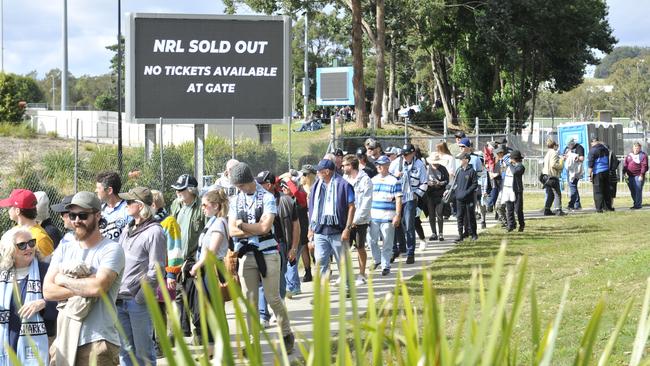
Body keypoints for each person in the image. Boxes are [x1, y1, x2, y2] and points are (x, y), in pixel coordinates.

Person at [44, 191, 125, 365]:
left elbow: (97, 288)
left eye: (82, 215)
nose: (76, 220)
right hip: (65, 339)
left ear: (97, 215)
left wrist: (62, 279)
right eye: (72, 215)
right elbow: (48, 291)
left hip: (97, 340)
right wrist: (84, 287)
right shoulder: (65, 247)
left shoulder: (111, 250)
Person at [228, 162, 294, 353]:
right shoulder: (235, 200)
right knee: (250, 301)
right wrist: (250, 228)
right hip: (246, 255)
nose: (237, 188)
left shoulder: (267, 197)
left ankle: (286, 333)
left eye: (239, 185)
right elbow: (232, 230)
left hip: (268, 254)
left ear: (246, 181)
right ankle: (252, 342)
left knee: (273, 298)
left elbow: (266, 228)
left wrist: (242, 225)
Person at [115, 187, 166, 366]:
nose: (126, 204)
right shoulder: (127, 230)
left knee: (144, 353)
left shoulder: (155, 232)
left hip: (138, 302)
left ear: (140, 205)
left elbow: (157, 269)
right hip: (120, 300)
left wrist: (140, 297)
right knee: (125, 352)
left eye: (129, 202)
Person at [0, 227, 58, 365]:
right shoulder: (2, 274)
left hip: (39, 342)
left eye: (31, 243)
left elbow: (63, 300)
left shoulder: (46, 271)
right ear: (10, 250)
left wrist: (43, 303)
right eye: (22, 245)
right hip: (7, 339)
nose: (28, 248)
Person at [255, 171, 299, 326]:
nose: (257, 186)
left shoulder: (286, 201)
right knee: (261, 280)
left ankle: (278, 310)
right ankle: (263, 315)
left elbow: (295, 225)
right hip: (260, 245)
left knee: (279, 279)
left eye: (260, 183)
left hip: (280, 244)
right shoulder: (256, 201)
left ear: (268, 185)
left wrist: (293, 247)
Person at [308, 159, 356, 284]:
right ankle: (321, 293)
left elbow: (352, 207)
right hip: (320, 231)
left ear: (327, 171)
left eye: (320, 170)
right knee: (320, 263)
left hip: (337, 231)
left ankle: (347, 287)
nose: (317, 172)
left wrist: (347, 228)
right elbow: (312, 208)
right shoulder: (316, 186)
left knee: (342, 263)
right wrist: (310, 229)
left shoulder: (343, 185)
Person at [169, 173, 205, 337]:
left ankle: (200, 331)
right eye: (177, 190)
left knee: (194, 298)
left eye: (181, 190)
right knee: (178, 295)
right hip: (177, 258)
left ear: (191, 191)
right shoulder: (176, 205)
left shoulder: (201, 208)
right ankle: (183, 331)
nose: (178, 193)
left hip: (194, 259)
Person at [190, 189, 230, 330]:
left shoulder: (219, 223)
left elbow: (212, 252)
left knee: (216, 308)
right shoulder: (212, 222)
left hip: (213, 269)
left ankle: (221, 344)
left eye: (205, 205)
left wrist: (197, 266)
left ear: (215, 206)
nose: (202, 208)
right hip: (206, 269)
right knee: (210, 309)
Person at [150, 189, 182, 357]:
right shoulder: (148, 223)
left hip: (164, 273)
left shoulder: (168, 222)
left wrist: (172, 273)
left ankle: (161, 345)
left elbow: (175, 248)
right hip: (149, 274)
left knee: (160, 308)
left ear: (153, 205)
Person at [389, 143, 427, 264]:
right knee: (395, 224)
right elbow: (388, 177)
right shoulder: (396, 164)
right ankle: (396, 250)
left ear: (413, 153)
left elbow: (424, 182)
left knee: (409, 225)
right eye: (403, 155)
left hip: (411, 197)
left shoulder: (419, 164)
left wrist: (416, 195)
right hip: (397, 197)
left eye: (407, 154)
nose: (405, 157)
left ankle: (411, 253)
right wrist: (395, 176)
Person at [342, 154, 373, 285]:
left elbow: (366, 203)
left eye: (345, 165)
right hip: (347, 220)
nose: (343, 167)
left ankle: (361, 274)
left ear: (351, 166)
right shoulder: (344, 179)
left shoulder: (365, 180)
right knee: (344, 248)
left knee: (360, 247)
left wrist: (355, 220)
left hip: (360, 221)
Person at [368, 155, 402, 276]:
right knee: (371, 240)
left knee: (387, 242)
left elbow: (398, 199)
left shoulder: (394, 180)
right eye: (377, 164)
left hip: (388, 216)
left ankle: (385, 265)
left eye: (381, 165)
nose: (378, 167)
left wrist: (397, 215)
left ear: (387, 166)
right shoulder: (373, 180)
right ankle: (377, 260)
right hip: (373, 216)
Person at [0, 189, 55, 262]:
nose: (8, 210)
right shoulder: (14, 230)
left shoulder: (40, 238)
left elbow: (49, 267)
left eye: (10, 207)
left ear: (17, 211)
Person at [95, 171, 132, 241]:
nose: (96, 190)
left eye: (99, 188)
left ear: (109, 190)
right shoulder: (99, 211)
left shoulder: (128, 209)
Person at [454, 153, 478, 242]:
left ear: (466, 160)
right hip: (459, 198)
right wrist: (456, 193)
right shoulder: (458, 171)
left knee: (470, 216)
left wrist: (467, 192)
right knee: (459, 216)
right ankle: (460, 235)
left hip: (469, 198)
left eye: (461, 159)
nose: (459, 161)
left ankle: (473, 234)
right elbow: (455, 183)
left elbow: (475, 184)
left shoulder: (472, 171)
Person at [299, 164, 317, 282]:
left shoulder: (317, 187)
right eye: (303, 174)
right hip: (302, 219)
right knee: (304, 247)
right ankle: (308, 272)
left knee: (313, 246)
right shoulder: (299, 187)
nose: (303, 176)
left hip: (314, 219)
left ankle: (318, 263)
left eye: (306, 174)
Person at [424, 155, 449, 241]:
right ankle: (433, 233)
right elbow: (423, 180)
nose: (435, 164)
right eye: (434, 163)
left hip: (440, 194)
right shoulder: (427, 169)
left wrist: (440, 183)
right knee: (431, 214)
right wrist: (429, 183)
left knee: (439, 213)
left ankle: (441, 233)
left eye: (437, 162)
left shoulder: (443, 169)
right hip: (430, 194)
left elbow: (447, 181)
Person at [503, 151, 526, 232]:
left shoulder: (521, 166)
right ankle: (511, 225)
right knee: (509, 209)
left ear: (515, 159)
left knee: (518, 209)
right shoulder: (510, 166)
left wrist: (509, 164)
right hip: (508, 190)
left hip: (517, 190)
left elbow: (515, 172)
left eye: (511, 158)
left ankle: (521, 224)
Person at [588, 139, 613, 212]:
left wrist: (589, 175)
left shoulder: (593, 150)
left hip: (598, 172)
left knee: (598, 191)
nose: (591, 144)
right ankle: (608, 207)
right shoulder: (605, 148)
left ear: (593, 142)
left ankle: (599, 208)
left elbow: (590, 164)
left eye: (591, 142)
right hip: (606, 171)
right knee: (606, 190)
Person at [542, 139, 566, 216]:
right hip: (552, 176)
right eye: (556, 146)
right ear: (554, 145)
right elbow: (553, 164)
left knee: (550, 194)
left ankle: (547, 209)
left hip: (546, 176)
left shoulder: (547, 153)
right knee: (557, 193)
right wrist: (561, 163)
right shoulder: (554, 153)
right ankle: (558, 210)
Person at [623, 142, 648, 209]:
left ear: (640, 148)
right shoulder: (629, 155)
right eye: (635, 148)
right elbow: (625, 165)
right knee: (632, 191)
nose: (636, 149)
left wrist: (642, 175)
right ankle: (635, 203)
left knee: (638, 190)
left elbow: (644, 166)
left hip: (638, 176)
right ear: (633, 148)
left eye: (637, 148)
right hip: (630, 176)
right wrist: (624, 172)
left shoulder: (643, 155)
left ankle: (638, 205)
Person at [563, 139, 585, 210]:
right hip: (569, 170)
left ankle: (572, 204)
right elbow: (564, 157)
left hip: (576, 170)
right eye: (568, 145)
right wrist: (565, 157)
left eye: (570, 145)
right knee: (573, 186)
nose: (569, 147)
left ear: (573, 143)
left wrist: (576, 158)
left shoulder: (579, 147)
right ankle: (577, 204)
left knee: (573, 186)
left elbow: (582, 158)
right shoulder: (566, 148)